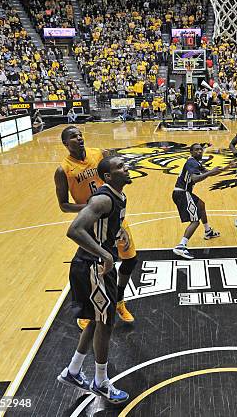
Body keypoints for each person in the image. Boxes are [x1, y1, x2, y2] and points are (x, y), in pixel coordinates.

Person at [57, 156, 131, 404]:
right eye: (120, 166)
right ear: (108, 176)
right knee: (106, 322)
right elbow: (74, 230)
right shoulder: (102, 199)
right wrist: (104, 254)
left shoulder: (118, 196)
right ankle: (101, 382)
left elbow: (105, 226)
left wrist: (118, 235)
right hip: (92, 267)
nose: (126, 167)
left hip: (97, 265)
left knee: (97, 319)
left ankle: (73, 371)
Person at [54, 126, 138, 329]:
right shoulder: (63, 170)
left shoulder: (99, 154)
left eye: (80, 135)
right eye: (73, 137)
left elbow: (114, 171)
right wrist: (93, 207)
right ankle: (88, 310)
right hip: (92, 221)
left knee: (130, 261)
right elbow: (64, 205)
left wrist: (106, 205)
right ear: (66, 144)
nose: (79, 138)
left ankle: (118, 300)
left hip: (114, 216)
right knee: (89, 267)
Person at [172, 143, 234, 260]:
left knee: (201, 205)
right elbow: (196, 178)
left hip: (184, 193)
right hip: (182, 193)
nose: (199, 151)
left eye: (201, 149)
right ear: (191, 152)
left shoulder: (196, 163)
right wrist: (210, 172)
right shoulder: (191, 162)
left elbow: (210, 172)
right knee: (195, 221)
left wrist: (226, 168)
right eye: (196, 150)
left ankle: (208, 231)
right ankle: (181, 246)